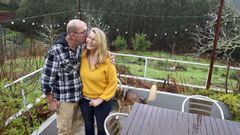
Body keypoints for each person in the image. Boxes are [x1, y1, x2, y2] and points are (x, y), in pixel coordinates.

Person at [41, 19, 88, 135]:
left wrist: (109, 57)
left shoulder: (80, 47)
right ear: (73, 35)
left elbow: (98, 49)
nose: (87, 34)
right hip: (65, 101)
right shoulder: (55, 52)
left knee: (75, 129)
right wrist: (50, 101)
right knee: (65, 132)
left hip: (78, 98)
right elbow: (46, 80)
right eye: (84, 32)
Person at [79, 27, 118, 135]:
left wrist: (100, 99)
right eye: (89, 37)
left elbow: (113, 82)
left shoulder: (107, 60)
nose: (89, 41)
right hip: (85, 100)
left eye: (94, 39)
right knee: (88, 126)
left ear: (100, 43)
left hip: (103, 101)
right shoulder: (82, 55)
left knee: (101, 128)